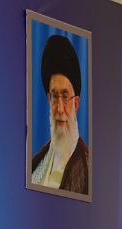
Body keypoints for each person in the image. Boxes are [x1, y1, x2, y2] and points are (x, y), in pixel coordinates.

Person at [29, 34, 89, 194]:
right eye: (55, 96)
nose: (60, 109)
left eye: (65, 96)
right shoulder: (36, 163)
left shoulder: (88, 167)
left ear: (76, 104)